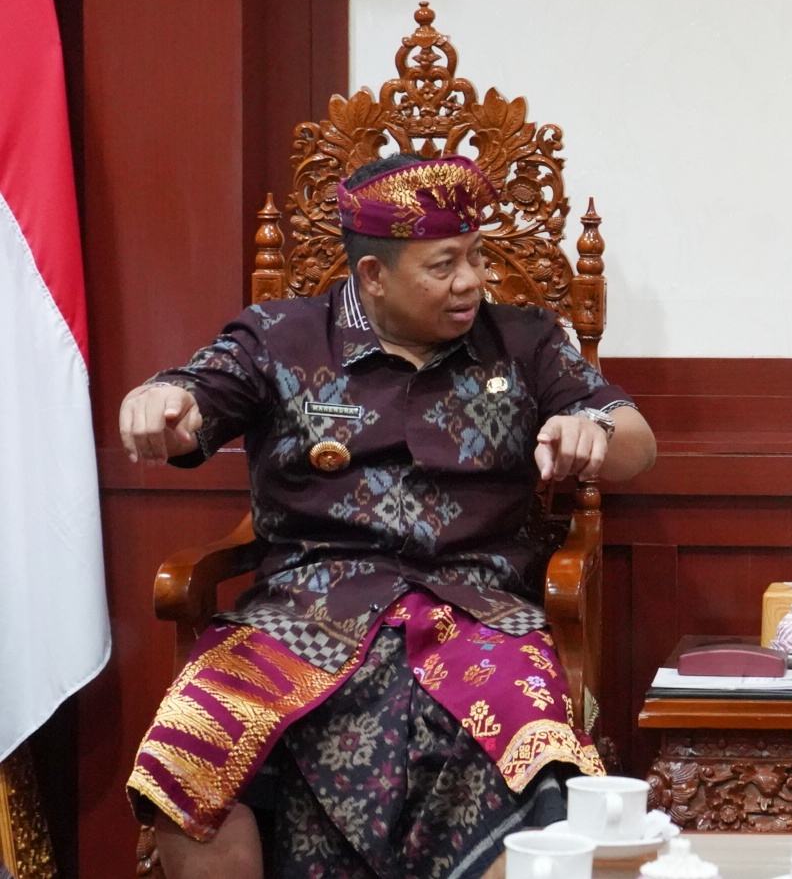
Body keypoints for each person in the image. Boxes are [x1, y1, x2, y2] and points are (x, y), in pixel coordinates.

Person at [118, 154, 657, 879]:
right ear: (373, 274)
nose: (471, 281)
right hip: (302, 612)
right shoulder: (280, 337)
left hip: (479, 611)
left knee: (534, 751)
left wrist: (594, 431)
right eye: (443, 265)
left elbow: (636, 441)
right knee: (190, 757)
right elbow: (194, 396)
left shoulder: (524, 340)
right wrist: (160, 402)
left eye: (476, 256)